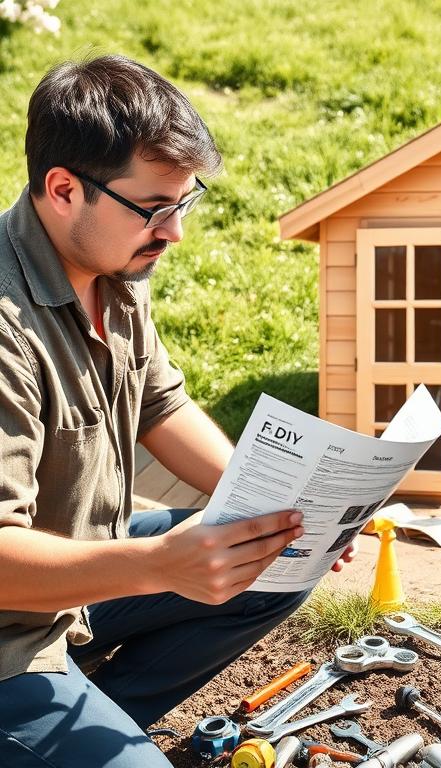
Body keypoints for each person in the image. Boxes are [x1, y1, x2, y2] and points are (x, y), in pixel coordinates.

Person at [0, 55, 353, 767]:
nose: (176, 233)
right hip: (11, 635)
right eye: (156, 209)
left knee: (271, 561)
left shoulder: (114, 265)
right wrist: (160, 564)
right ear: (64, 189)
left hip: (80, 577)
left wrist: (279, 503)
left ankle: (96, 728)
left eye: (183, 204)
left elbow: (162, 404)